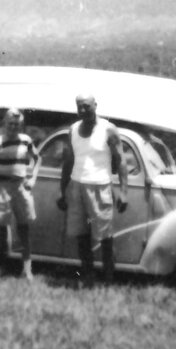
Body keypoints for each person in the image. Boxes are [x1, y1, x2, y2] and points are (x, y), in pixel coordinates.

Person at [58, 93, 128, 286]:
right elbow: (68, 162)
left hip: (100, 187)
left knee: (105, 238)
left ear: (95, 105)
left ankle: (108, 281)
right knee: (82, 236)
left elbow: (121, 160)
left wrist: (123, 191)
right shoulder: (72, 130)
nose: (82, 111)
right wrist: (62, 190)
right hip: (76, 186)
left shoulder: (108, 129)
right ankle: (88, 277)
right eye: (79, 107)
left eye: (86, 106)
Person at [0, 108, 40, 280]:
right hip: (1, 187)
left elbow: (37, 159)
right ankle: (3, 266)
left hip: (20, 187)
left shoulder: (26, 140)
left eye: (17, 124)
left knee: (24, 228)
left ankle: (27, 269)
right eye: (10, 124)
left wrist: (33, 179)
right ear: (4, 124)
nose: (13, 127)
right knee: (1, 228)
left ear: (21, 126)